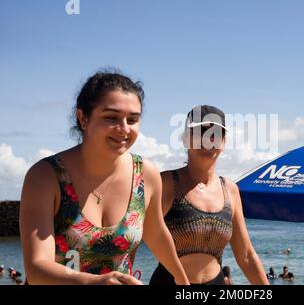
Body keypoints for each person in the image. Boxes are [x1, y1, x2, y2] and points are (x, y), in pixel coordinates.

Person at [20, 70, 189, 285]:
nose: (124, 129)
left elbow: (156, 233)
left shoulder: (145, 173)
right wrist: (94, 282)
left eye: (133, 119)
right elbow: (36, 269)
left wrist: (184, 284)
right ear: (83, 117)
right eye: (111, 117)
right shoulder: (45, 176)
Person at [150, 105, 269, 285]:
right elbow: (133, 238)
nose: (208, 141)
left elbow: (245, 255)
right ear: (185, 139)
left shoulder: (230, 190)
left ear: (224, 141)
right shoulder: (167, 183)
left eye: (215, 134)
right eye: (200, 133)